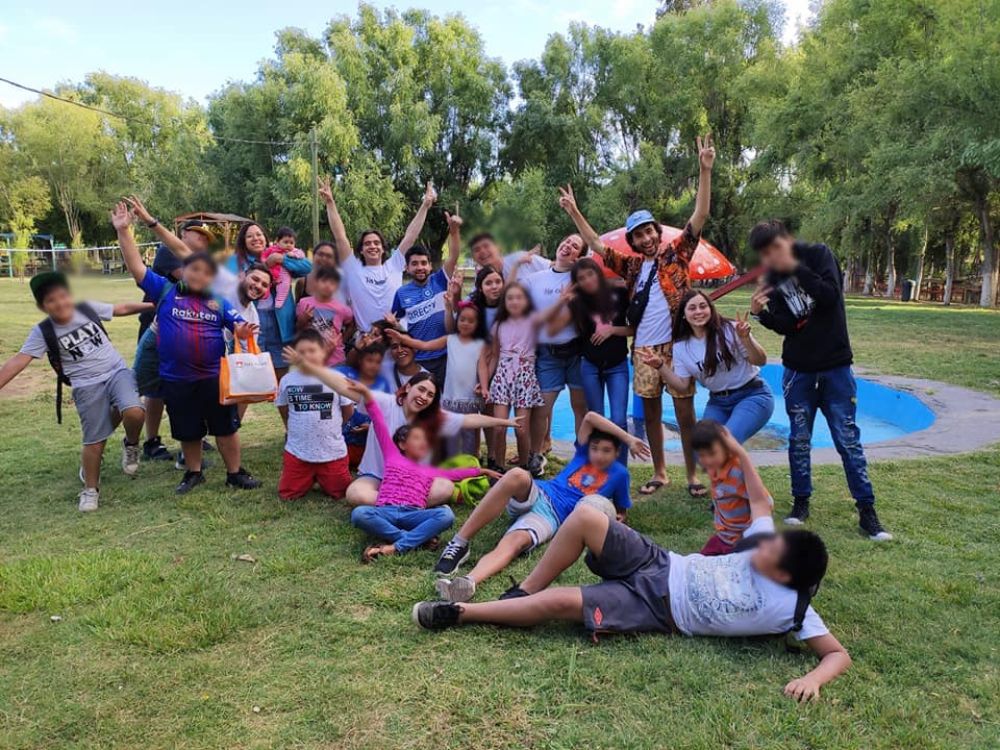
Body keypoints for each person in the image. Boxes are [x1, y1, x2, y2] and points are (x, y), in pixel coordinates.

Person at [413, 500, 851, 705]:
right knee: (588, 516)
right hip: (662, 561)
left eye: (771, 555)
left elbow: (837, 654)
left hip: (657, 609)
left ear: (786, 577)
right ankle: (522, 591)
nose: (761, 549)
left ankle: (462, 614)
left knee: (561, 602)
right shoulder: (762, 543)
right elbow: (762, 502)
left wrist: (814, 679)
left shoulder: (793, 611)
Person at [559, 133, 717, 498]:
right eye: (638, 236)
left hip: (676, 346)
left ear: (657, 232)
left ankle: (692, 475)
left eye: (649, 232)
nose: (645, 239)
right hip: (644, 348)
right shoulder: (631, 268)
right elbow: (597, 245)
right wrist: (573, 212)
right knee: (649, 414)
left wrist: (704, 170)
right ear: (632, 242)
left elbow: (700, 216)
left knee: (684, 412)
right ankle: (661, 472)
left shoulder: (676, 255)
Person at [748, 220, 892, 541]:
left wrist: (796, 269)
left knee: (847, 440)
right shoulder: (773, 278)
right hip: (798, 369)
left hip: (835, 366)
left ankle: (867, 511)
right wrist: (762, 315)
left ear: (787, 240)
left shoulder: (818, 255)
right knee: (799, 439)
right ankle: (801, 503)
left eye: (775, 249)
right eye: (765, 253)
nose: (771, 257)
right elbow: (788, 324)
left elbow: (828, 296)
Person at [113, 202, 261, 495]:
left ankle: (235, 473)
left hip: (213, 378)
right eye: (193, 269)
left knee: (226, 428)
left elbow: (237, 325)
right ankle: (194, 473)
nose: (198, 275)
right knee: (187, 429)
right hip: (177, 379)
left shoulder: (218, 301)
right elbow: (136, 267)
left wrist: (243, 330)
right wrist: (123, 231)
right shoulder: (165, 291)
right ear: (183, 271)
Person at [433, 411, 652, 603]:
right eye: (595, 448)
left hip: (551, 517)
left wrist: (618, 517)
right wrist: (628, 438)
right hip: (539, 492)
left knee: (515, 543)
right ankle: (459, 543)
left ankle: (467, 583)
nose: (599, 454)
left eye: (606, 450)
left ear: (616, 454)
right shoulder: (583, 453)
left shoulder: (620, 474)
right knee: (518, 474)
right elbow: (590, 417)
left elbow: (621, 512)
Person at [0, 271, 149, 512]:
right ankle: (90, 490)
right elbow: (18, 360)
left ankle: (131, 445)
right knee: (94, 441)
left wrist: (154, 304)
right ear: (42, 307)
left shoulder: (86, 309)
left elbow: (119, 308)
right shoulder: (43, 332)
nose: (60, 303)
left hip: (116, 371)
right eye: (51, 300)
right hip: (85, 385)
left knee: (134, 410)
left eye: (62, 296)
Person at [126, 195, 274, 427]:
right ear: (243, 275)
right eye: (255, 279)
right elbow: (180, 254)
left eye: (265, 285)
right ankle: (143, 436)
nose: (258, 286)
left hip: (203, 351)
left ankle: (206, 432)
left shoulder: (250, 312)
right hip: (166, 330)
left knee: (199, 392)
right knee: (147, 390)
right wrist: (149, 222)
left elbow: (242, 361)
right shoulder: (221, 280)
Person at [348, 382, 500, 562]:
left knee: (446, 515)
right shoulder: (392, 455)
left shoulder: (429, 470)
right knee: (359, 514)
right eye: (416, 439)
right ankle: (414, 540)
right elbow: (379, 421)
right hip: (386, 511)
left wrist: (482, 471)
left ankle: (396, 545)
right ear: (402, 444)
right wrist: (366, 392)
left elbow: (456, 474)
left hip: (415, 514)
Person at [340, 372, 521, 508]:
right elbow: (350, 393)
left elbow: (470, 420)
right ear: (409, 387)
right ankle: (406, 504)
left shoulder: (435, 418)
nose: (424, 397)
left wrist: (505, 421)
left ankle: (395, 504)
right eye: (421, 389)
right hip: (376, 477)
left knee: (445, 488)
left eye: (430, 395)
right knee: (355, 493)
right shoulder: (386, 403)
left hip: (413, 480)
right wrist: (314, 369)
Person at [639, 289, 774, 444]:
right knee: (704, 446)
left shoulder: (731, 329)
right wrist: (660, 366)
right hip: (718, 402)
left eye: (703, 306)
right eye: (692, 308)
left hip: (752, 394)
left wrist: (745, 339)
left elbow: (760, 360)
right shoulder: (681, 347)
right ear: (684, 314)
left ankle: (743, 468)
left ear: (711, 309)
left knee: (727, 443)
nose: (698, 312)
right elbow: (682, 386)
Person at [135, 217, 212, 462]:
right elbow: (190, 280)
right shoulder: (168, 251)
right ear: (183, 233)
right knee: (156, 388)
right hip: (158, 326)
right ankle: (151, 441)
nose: (202, 238)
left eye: (206, 237)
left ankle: (191, 439)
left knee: (188, 384)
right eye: (197, 233)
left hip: (187, 328)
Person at [318, 175, 436, 333]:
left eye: (376, 243)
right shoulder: (353, 268)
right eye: (367, 243)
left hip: (395, 337)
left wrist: (425, 206)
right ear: (361, 250)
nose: (372, 246)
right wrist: (330, 203)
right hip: (367, 342)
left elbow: (411, 235)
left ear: (383, 248)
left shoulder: (394, 265)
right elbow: (340, 236)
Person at [545, 257, 633, 464]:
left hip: (617, 365)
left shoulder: (619, 294)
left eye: (590, 274)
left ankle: (620, 469)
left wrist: (612, 330)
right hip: (590, 366)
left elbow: (635, 328)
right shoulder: (577, 302)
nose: (586, 280)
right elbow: (552, 330)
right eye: (581, 278)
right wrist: (563, 302)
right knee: (596, 419)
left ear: (598, 273)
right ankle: (596, 468)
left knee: (619, 419)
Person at [523, 232, 589, 477]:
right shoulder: (535, 279)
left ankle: (581, 455)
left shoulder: (581, 280)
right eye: (567, 241)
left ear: (578, 257)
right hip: (547, 354)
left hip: (576, 352)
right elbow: (527, 315)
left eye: (574, 246)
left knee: (580, 407)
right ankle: (535, 454)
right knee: (541, 407)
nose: (568, 246)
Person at [385, 301, 487, 457]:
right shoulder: (450, 339)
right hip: (450, 399)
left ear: (477, 324)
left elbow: (482, 367)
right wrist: (402, 338)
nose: (465, 323)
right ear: (457, 321)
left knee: (469, 434)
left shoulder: (480, 344)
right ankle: (450, 461)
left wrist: (485, 387)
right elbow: (424, 345)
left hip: (469, 398)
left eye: (471, 321)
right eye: (462, 319)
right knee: (450, 432)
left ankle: (470, 462)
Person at [275, 331, 356, 501]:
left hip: (332, 452)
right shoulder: (288, 380)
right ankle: (308, 477)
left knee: (341, 493)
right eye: (301, 352)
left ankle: (321, 477)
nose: (306, 356)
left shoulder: (337, 378)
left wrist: (334, 429)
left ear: (323, 352)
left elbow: (348, 412)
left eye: (312, 351)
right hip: (298, 452)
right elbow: (283, 408)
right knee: (287, 494)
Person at [227, 221, 312, 381]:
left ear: (266, 238)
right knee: (245, 382)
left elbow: (308, 268)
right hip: (250, 323)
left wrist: (281, 260)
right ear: (243, 241)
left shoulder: (279, 253)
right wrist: (266, 265)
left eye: (259, 234)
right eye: (250, 236)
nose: (255, 238)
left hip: (279, 325)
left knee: (281, 382)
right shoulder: (237, 262)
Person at [478, 281, 545, 473]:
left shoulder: (533, 320)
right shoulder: (499, 324)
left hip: (524, 377)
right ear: (504, 302)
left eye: (519, 297)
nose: (514, 301)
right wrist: (484, 383)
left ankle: (523, 468)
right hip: (502, 377)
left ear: (526, 301)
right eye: (510, 298)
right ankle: (498, 467)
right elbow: (494, 356)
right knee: (499, 427)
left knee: (521, 429)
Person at [390, 208, 462, 385]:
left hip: (446, 355)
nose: (420, 267)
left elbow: (454, 256)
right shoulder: (401, 293)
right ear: (407, 268)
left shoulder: (439, 279)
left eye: (424, 263)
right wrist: (393, 324)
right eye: (414, 264)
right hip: (418, 358)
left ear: (430, 266)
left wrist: (454, 232)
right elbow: (397, 322)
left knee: (445, 406)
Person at [691, 420, 773, 555]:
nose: (707, 460)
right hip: (723, 538)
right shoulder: (714, 468)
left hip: (740, 542)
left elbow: (766, 502)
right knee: (699, 564)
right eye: (701, 455)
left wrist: (749, 532)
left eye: (712, 453)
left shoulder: (738, 471)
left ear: (727, 447)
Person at [336, 343, 392, 470]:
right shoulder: (344, 375)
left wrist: (371, 427)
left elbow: (384, 414)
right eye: (370, 360)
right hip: (341, 438)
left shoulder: (383, 384)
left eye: (378, 362)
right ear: (360, 360)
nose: (373, 365)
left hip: (366, 441)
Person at [294, 265, 354, 366]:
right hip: (310, 358)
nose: (327, 285)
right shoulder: (304, 303)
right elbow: (297, 328)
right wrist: (304, 319)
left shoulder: (342, 308)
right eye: (324, 281)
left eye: (332, 283)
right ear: (316, 283)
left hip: (335, 359)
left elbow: (351, 324)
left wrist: (342, 339)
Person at [468, 233, 549, 283]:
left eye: (486, 246)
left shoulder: (522, 258)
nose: (482, 251)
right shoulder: (482, 279)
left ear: (498, 247)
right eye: (476, 250)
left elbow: (552, 267)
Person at [261, 226, 306, 308]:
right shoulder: (272, 249)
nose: (289, 245)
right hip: (270, 273)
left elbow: (301, 255)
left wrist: (294, 255)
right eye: (285, 242)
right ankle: (263, 296)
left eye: (291, 243)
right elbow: (263, 256)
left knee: (284, 285)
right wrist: (265, 262)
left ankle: (279, 302)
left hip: (283, 274)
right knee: (265, 284)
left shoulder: (293, 251)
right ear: (278, 241)